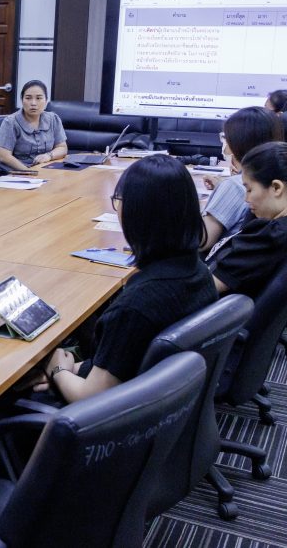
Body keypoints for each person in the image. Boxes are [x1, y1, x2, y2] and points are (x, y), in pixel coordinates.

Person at [41, 155, 217, 403]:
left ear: (136, 214)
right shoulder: (200, 272)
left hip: (113, 414)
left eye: (119, 200)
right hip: (163, 396)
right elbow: (126, 361)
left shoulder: (134, 308)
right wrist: (73, 369)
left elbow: (92, 397)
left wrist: (57, 369)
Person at [206, 141, 287, 297]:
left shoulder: (270, 236)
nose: (246, 199)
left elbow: (206, 287)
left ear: (276, 188)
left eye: (249, 189)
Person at [201, 107, 283, 252]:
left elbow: (202, 241)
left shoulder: (234, 186)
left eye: (225, 137)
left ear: (237, 143)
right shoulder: (277, 178)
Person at [0, 80, 68, 170]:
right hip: (21, 171)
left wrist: (48, 156)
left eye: (38, 98)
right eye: (28, 98)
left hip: (48, 169)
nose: (33, 103)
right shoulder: (11, 122)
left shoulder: (53, 119)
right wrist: (28, 172)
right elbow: (4, 156)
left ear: (46, 101)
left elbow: (62, 148)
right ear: (22, 100)